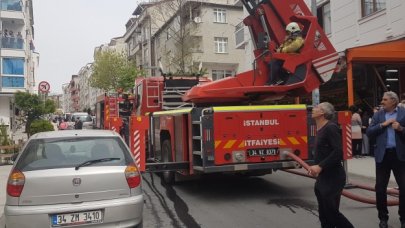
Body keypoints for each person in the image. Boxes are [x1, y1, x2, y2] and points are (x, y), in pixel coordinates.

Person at [308, 102, 354, 228]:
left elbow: (338, 151)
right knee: (323, 215)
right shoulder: (320, 129)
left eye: (317, 107)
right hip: (323, 178)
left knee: (331, 213)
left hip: (333, 177)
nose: (313, 109)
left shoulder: (330, 127)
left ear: (322, 113)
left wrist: (320, 166)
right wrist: (315, 166)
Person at [366, 91, 405, 228]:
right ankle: (383, 218)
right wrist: (383, 124)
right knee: (380, 189)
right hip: (383, 156)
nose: (382, 102)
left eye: (385, 99)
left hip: (400, 156)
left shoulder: (403, 113)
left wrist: (401, 128)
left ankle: (403, 218)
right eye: (382, 99)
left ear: (393, 101)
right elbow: (369, 132)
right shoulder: (378, 115)